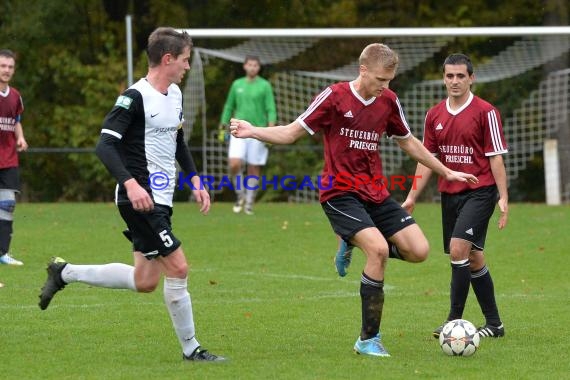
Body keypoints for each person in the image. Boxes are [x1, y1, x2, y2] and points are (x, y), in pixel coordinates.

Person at [229, 43, 478, 357]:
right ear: (363, 70)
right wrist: (254, 131)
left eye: (389, 81)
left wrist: (445, 170)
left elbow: (409, 142)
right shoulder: (334, 97)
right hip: (339, 193)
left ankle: (350, 240)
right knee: (376, 250)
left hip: (375, 192)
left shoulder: (387, 100)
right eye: (379, 80)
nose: (384, 87)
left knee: (419, 251)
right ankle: (368, 339)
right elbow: (292, 132)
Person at [38, 27, 225, 362]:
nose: (187, 66)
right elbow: (105, 145)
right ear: (167, 59)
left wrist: (195, 180)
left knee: (145, 280)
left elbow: (177, 142)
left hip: (161, 199)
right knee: (179, 268)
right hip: (140, 198)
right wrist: (130, 183)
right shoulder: (134, 97)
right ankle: (191, 349)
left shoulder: (175, 94)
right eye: (184, 60)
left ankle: (64, 272)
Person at [402, 53, 508, 339]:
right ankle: (495, 325)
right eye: (449, 76)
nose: (455, 81)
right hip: (450, 195)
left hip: (480, 191)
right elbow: (426, 159)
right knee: (473, 258)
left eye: (461, 75)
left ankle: (453, 322)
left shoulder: (486, 112)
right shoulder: (433, 115)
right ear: (443, 78)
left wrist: (503, 197)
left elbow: (496, 158)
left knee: (459, 248)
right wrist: (412, 196)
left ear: (471, 78)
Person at [218, 55, 276, 215]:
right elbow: (229, 106)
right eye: (249, 64)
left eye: (255, 65)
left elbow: (270, 108)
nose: (252, 67)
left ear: (259, 67)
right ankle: (240, 195)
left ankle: (249, 201)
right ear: (245, 66)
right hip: (238, 130)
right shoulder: (237, 84)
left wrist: (270, 129)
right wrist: (223, 127)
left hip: (257, 131)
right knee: (234, 163)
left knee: (253, 167)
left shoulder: (265, 86)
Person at [0, 49, 28, 266]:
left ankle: (2, 252)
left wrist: (21, 138)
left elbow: (16, 120)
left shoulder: (15, 96)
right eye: (3, 66)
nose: (6, 70)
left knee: (7, 205)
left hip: (8, 159)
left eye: (10, 67)